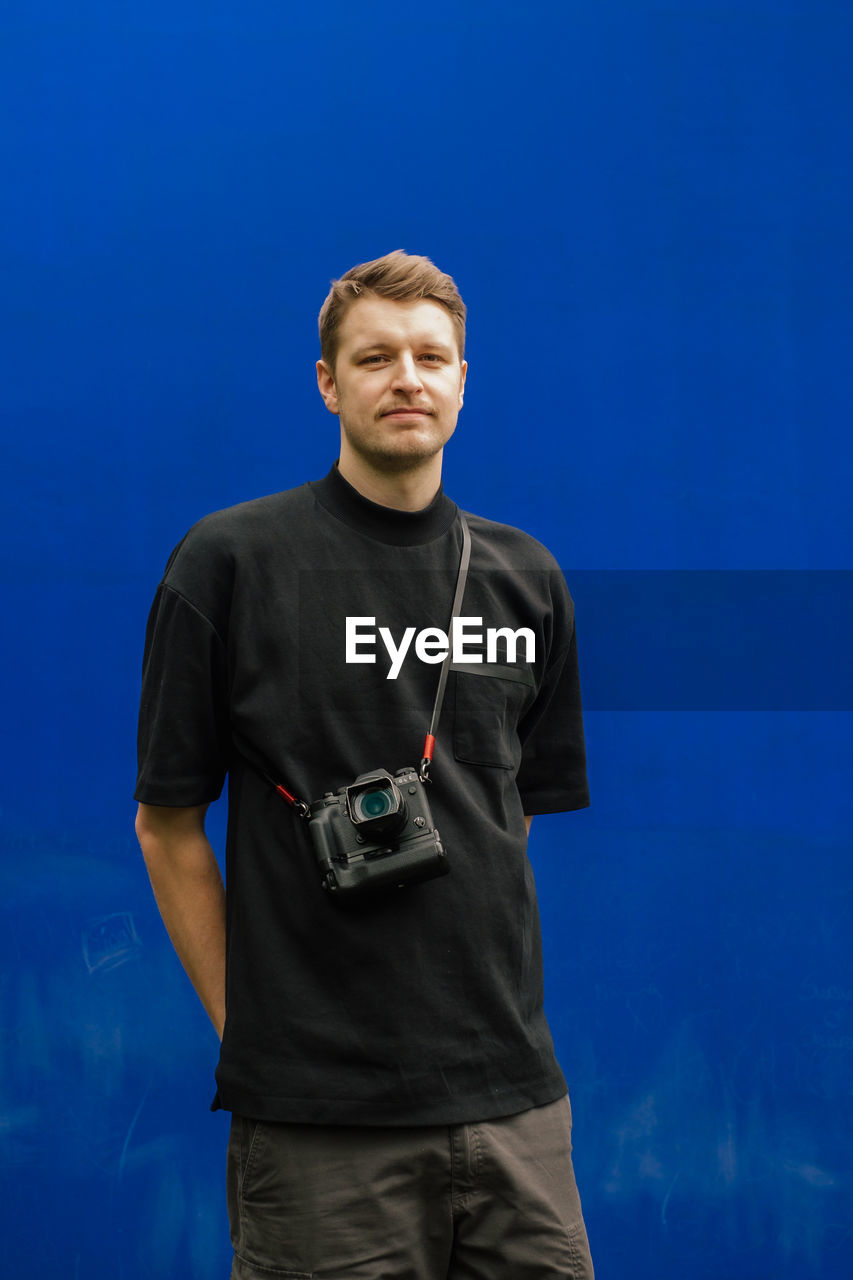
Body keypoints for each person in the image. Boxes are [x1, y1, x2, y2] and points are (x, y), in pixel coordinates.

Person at [134, 250, 595, 1279]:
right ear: (327, 382)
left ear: (464, 381)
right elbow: (165, 824)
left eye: (432, 357)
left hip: (513, 1104)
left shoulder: (527, 579)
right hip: (318, 1120)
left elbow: (507, 812)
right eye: (376, 356)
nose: (408, 378)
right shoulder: (230, 563)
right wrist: (245, 1022)